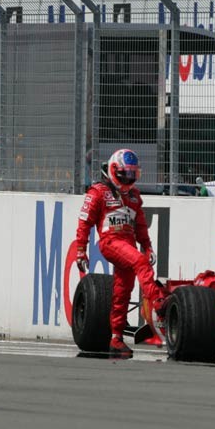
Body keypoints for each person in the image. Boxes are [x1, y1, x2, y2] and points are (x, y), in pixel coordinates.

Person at [75, 148, 166, 357]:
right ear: (114, 169)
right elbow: (84, 222)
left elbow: (141, 225)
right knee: (141, 263)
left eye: (133, 173)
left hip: (128, 244)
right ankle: (158, 301)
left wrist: (148, 246)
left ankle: (116, 338)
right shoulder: (97, 191)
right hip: (110, 241)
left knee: (123, 290)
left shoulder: (134, 195)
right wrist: (81, 250)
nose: (129, 177)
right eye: (125, 173)